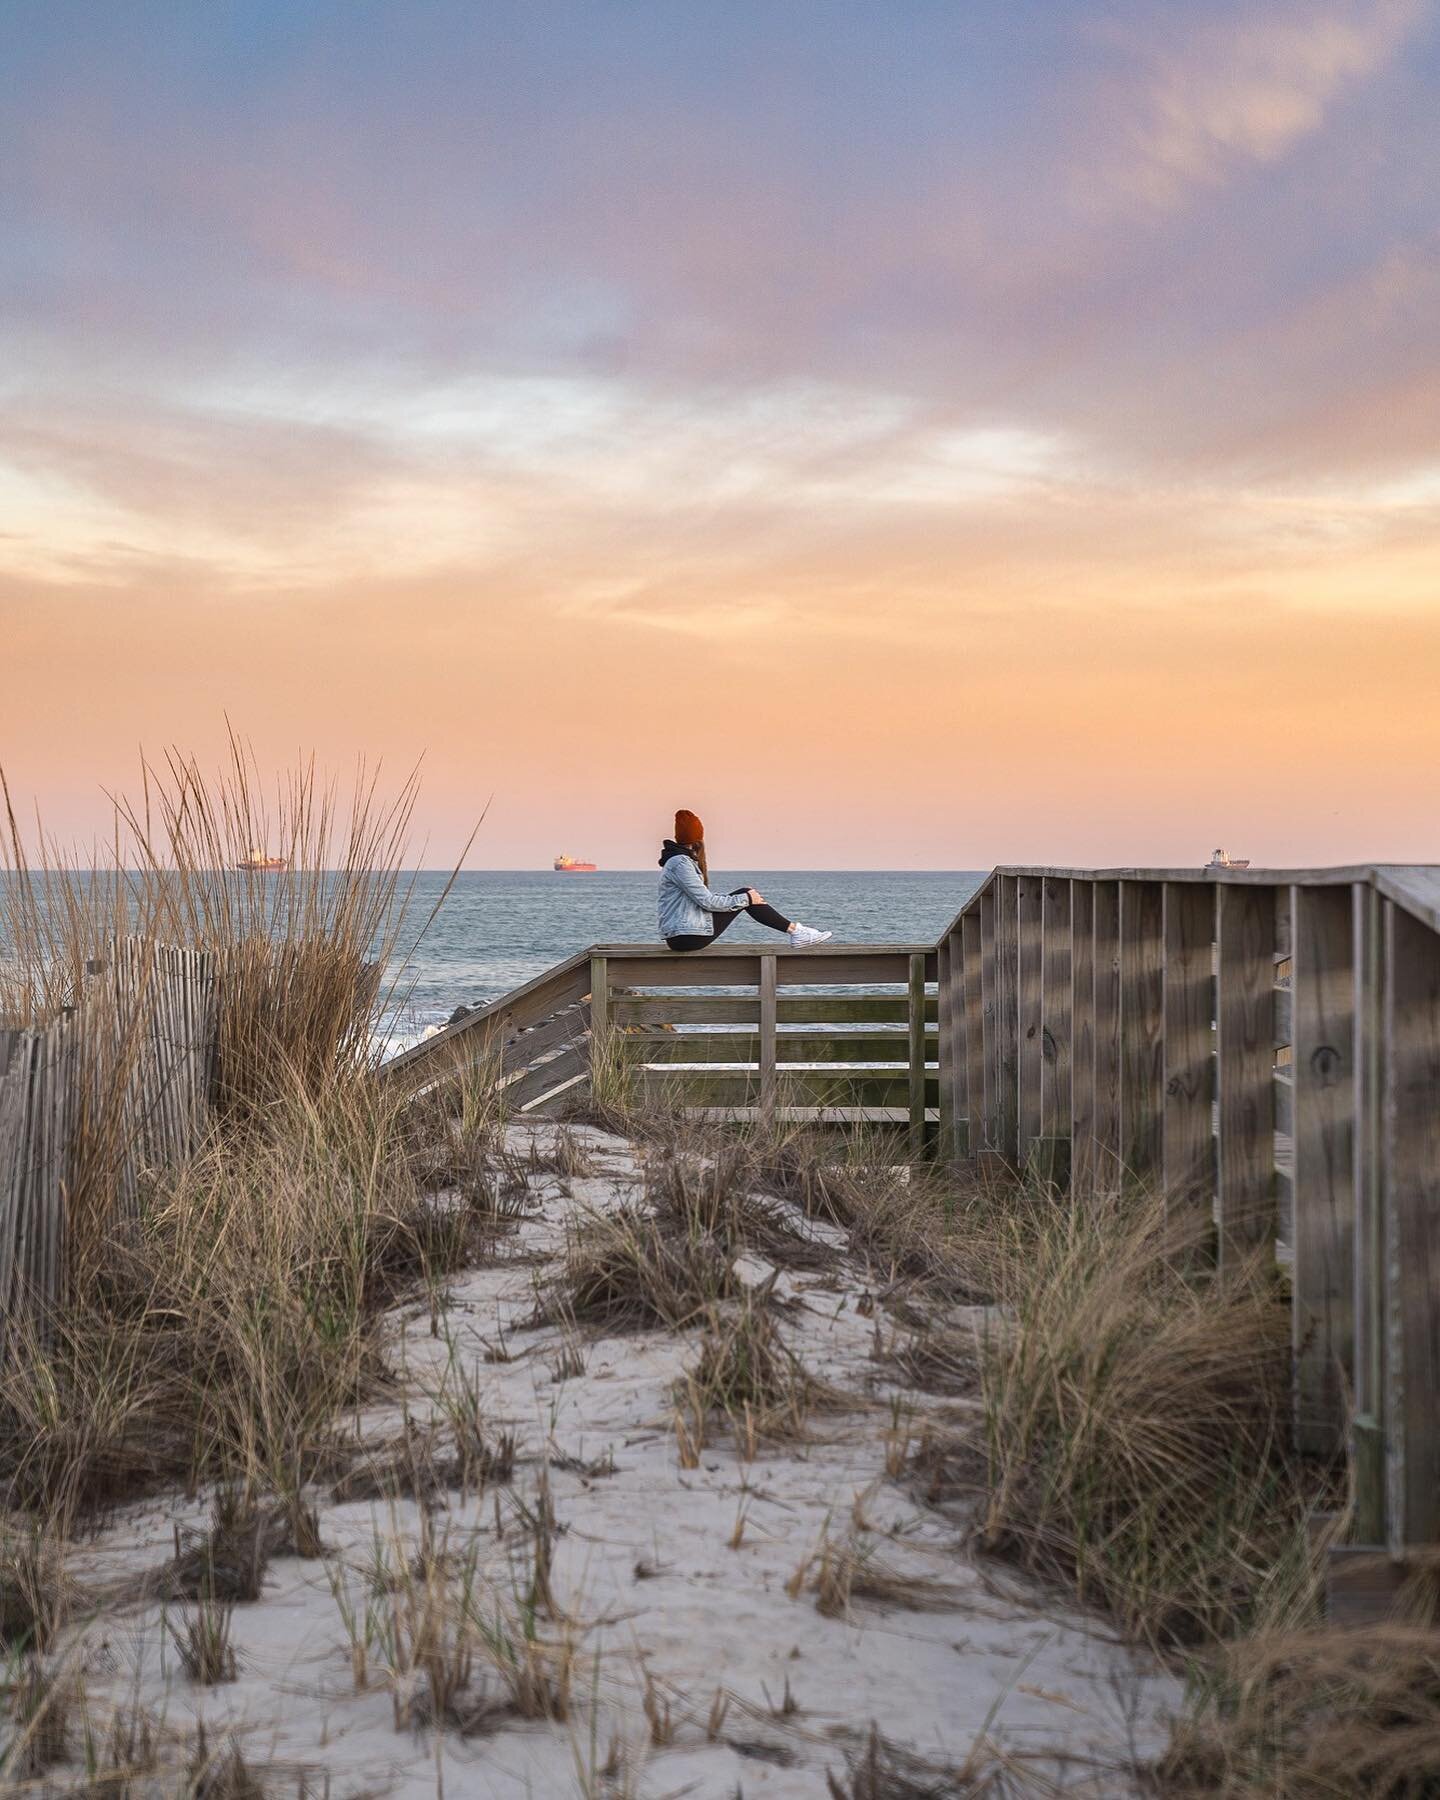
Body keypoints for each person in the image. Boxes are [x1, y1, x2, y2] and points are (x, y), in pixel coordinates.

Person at [657, 809, 832, 952]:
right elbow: (707, 901)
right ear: (698, 837)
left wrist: (746, 898)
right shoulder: (680, 863)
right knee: (746, 894)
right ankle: (796, 931)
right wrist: (747, 899)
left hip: (682, 935)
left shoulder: (679, 861)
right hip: (686, 938)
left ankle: (796, 931)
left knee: (745, 893)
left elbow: (702, 899)